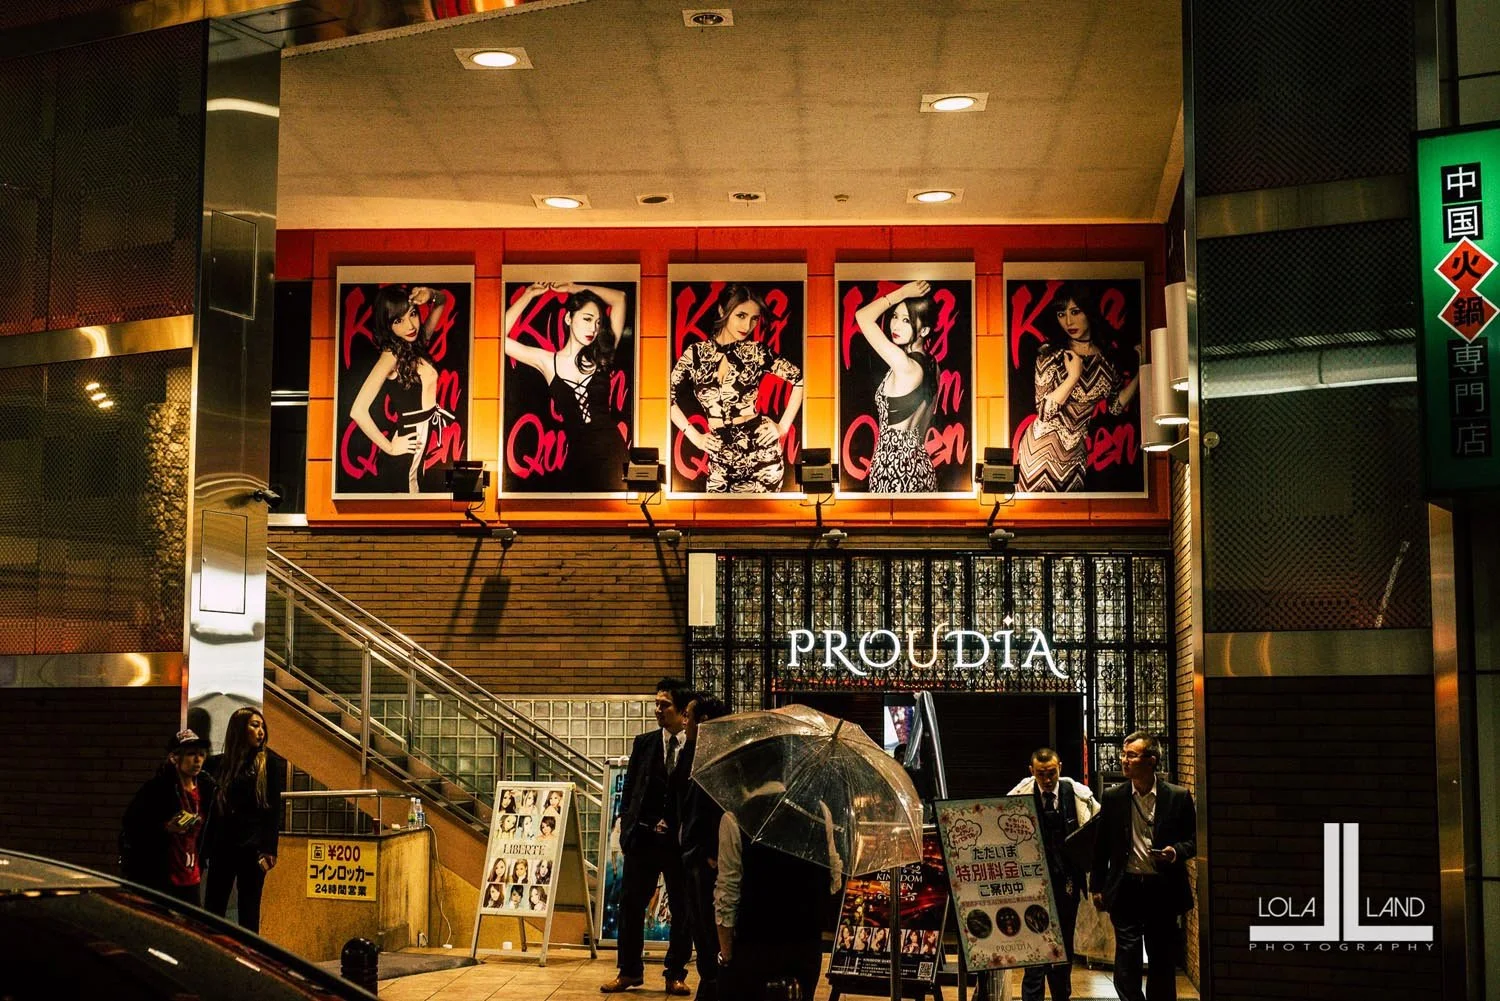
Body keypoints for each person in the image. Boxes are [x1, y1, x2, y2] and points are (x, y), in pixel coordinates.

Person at [601, 679, 694, 995]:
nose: (657, 710)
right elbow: (631, 792)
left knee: (682, 908)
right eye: (656, 704)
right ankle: (629, 971)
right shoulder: (644, 743)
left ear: (682, 711)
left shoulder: (695, 746)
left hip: (680, 843)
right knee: (630, 904)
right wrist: (628, 830)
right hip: (643, 839)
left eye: (664, 705)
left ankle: (675, 973)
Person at [1090, 732, 1196, 1001]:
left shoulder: (1177, 797)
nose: (1124, 760)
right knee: (1127, 956)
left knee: (1161, 958)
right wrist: (1097, 887)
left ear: (1151, 760)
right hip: (1126, 888)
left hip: (1162, 889)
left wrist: (1174, 852)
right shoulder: (1114, 797)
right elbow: (1102, 845)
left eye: (1131, 755)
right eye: (1124, 754)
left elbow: (1194, 840)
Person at [670, 284, 805, 493]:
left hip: (761, 454)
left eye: (754, 318)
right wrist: (694, 436)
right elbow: (665, 397)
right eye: (741, 315)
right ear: (723, 311)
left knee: (765, 522)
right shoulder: (695, 354)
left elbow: (800, 380)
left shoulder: (757, 352)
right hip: (719, 454)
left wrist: (782, 427)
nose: (747, 325)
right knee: (719, 522)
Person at [714, 787, 844, 1001]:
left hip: (754, 946)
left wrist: (726, 956)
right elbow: (834, 880)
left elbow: (727, 895)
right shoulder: (819, 811)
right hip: (805, 947)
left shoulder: (736, 817)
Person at [504, 281, 629, 492]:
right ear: (568, 318)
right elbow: (499, 338)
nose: (593, 328)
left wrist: (573, 287)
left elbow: (620, 298)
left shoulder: (602, 357)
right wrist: (527, 295)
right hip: (577, 458)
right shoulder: (547, 361)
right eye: (587, 319)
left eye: (598, 323)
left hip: (612, 453)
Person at [1016, 284, 1140, 493]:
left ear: (1088, 311)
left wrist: (1142, 373)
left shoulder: (1107, 357)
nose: (1068, 321)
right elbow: (1045, 412)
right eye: (1061, 314)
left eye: (1075, 312)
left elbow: (1115, 407)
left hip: (1076, 456)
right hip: (1040, 453)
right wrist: (1073, 377)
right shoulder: (1051, 354)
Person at [1006, 748, 1099, 1001]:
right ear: (1031, 772)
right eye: (1040, 774)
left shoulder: (1077, 797)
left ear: (1060, 768)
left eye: (1051, 773)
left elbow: (1094, 836)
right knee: (1033, 945)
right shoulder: (1019, 798)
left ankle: (1061, 995)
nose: (1047, 780)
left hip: (1067, 883)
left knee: (1063, 944)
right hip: (1032, 885)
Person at [349, 284, 452, 494]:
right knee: (408, 508)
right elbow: (357, 410)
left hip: (423, 442)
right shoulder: (390, 356)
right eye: (399, 320)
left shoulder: (416, 344)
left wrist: (430, 295)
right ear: (388, 326)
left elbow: (442, 301)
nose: (410, 325)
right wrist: (390, 447)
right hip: (407, 449)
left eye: (413, 314)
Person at [853, 280, 940, 493]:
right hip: (921, 466)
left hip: (893, 467)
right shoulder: (932, 365)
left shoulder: (903, 364)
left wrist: (900, 293)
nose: (895, 326)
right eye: (894, 317)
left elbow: (862, 317)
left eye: (906, 321)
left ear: (925, 330)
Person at [205, 707, 285, 934]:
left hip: (253, 848)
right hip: (222, 845)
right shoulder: (217, 764)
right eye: (254, 725)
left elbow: (273, 809)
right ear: (240, 729)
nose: (260, 731)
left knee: (249, 910)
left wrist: (270, 848)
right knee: (214, 906)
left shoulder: (267, 764)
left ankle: (249, 958)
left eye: (262, 726)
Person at [121, 728, 217, 907]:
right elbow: (132, 825)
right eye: (190, 754)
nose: (197, 760)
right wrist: (165, 828)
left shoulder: (207, 788)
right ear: (175, 758)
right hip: (162, 872)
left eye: (201, 755)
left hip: (191, 871)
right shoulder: (157, 789)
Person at [677, 693, 729, 1001]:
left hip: (705, 858)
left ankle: (713, 985)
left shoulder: (719, 757)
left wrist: (710, 852)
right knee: (699, 926)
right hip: (693, 854)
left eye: (689, 717)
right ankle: (709, 982)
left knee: (709, 930)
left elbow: (718, 807)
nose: (685, 723)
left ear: (704, 721)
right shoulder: (694, 751)